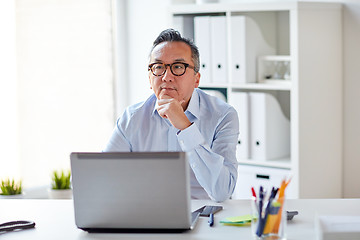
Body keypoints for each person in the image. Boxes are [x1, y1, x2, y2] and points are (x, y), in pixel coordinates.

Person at [104, 29, 239, 202]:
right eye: (158, 67)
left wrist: (185, 127)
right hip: (147, 214)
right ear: (149, 78)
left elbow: (222, 192)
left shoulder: (223, 115)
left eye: (178, 67)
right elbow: (105, 176)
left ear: (196, 79)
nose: (167, 77)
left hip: (205, 216)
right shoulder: (132, 118)